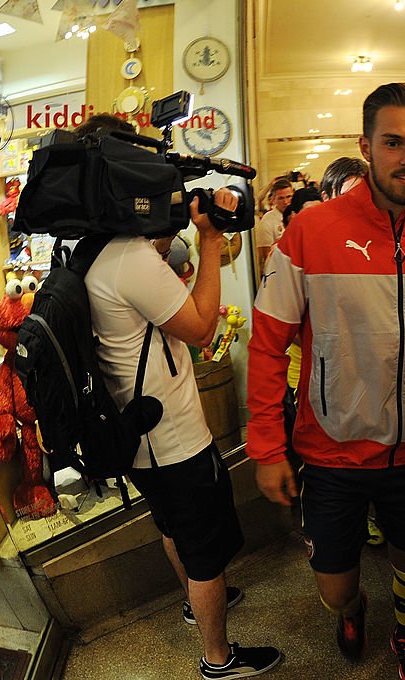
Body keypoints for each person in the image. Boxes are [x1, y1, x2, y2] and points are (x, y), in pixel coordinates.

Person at [246, 83, 405, 680]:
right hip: (330, 451)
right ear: (366, 146)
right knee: (334, 586)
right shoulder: (308, 231)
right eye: (394, 142)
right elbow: (268, 343)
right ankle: (351, 611)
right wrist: (267, 447)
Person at [77, 114, 282, 680]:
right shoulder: (130, 259)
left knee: (171, 526)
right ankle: (219, 658)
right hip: (171, 437)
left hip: (136, 431)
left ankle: (194, 602)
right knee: (205, 549)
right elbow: (200, 328)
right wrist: (212, 242)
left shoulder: (92, 248)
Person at [254, 179, 294, 267]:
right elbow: (266, 255)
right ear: (273, 199)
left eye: (289, 197)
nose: (286, 202)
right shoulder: (267, 221)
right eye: (281, 198)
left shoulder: (297, 215)